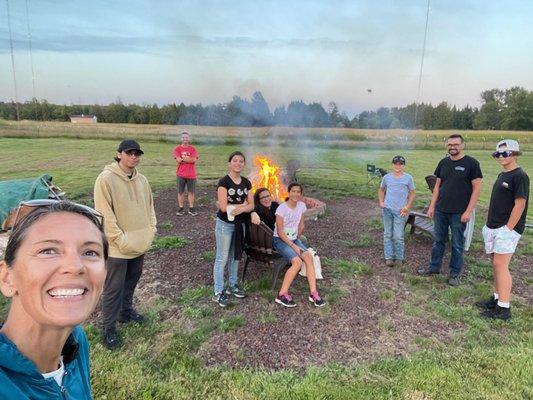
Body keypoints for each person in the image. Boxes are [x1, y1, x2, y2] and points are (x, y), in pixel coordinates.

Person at [0, 200, 108, 399]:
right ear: (7, 278)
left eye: (90, 252)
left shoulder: (75, 341)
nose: (76, 266)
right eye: (48, 251)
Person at [94, 139, 157, 349]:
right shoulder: (106, 179)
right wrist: (118, 239)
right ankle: (108, 328)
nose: (134, 157)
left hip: (139, 243)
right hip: (118, 248)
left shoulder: (143, 181)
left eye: (137, 153)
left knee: (131, 281)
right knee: (114, 288)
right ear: (119, 154)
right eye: (129, 153)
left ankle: (125, 312)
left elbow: (150, 207)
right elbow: (104, 213)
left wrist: (152, 229)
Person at [418, 134, 483, 286]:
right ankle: (434, 268)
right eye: (450, 144)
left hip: (459, 212)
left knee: (457, 244)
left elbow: (477, 188)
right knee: (438, 241)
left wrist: (468, 211)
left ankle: (455, 274)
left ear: (462, 145)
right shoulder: (443, 162)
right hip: (441, 210)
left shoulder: (472, 163)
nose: (452, 147)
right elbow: (437, 186)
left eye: (456, 144)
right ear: (447, 146)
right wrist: (432, 206)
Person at [476, 140, 529, 321]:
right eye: (498, 154)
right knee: (495, 265)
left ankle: (504, 309)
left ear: (514, 154)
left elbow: (520, 204)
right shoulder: (502, 174)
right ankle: (497, 299)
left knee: (501, 265)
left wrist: (508, 229)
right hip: (493, 226)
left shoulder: (520, 176)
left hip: (506, 229)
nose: (501, 157)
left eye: (505, 154)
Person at [273, 183, 325, 308]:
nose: (296, 194)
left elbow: (301, 225)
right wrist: (293, 245)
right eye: (293, 191)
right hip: (280, 240)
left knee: (308, 257)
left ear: (301, 194)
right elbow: (280, 231)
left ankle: (313, 293)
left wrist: (297, 237)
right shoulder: (282, 209)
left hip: (293, 239)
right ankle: (281, 294)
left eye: (298, 192)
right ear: (289, 193)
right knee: (297, 262)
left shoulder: (301, 206)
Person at [212, 151, 254, 307]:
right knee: (222, 257)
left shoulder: (246, 182)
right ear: (229, 163)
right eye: (235, 160)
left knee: (236, 256)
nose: (238, 163)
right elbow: (223, 207)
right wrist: (243, 205)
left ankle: (233, 285)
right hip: (225, 225)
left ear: (244, 164)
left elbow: (252, 205)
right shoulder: (224, 182)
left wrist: (242, 208)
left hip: (239, 225)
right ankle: (218, 291)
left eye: (241, 161)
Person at [378, 155, 416, 267]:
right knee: (388, 234)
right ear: (392, 164)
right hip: (387, 210)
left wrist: (407, 206)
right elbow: (381, 190)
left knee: (398, 236)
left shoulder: (408, 178)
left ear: (404, 165)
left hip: (401, 211)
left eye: (400, 164)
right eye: (395, 163)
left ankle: (399, 258)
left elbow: (413, 194)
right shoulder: (387, 178)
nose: (398, 166)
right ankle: (389, 257)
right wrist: (381, 202)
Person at [173, 131, 199, 216]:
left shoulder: (193, 149)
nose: (185, 139)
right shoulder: (177, 149)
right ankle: (181, 208)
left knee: (191, 192)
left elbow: (194, 160)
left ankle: (191, 208)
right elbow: (178, 160)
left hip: (191, 175)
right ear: (181, 139)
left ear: (189, 139)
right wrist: (189, 159)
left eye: (186, 137)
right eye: (183, 137)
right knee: (180, 192)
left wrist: (183, 159)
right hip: (180, 174)